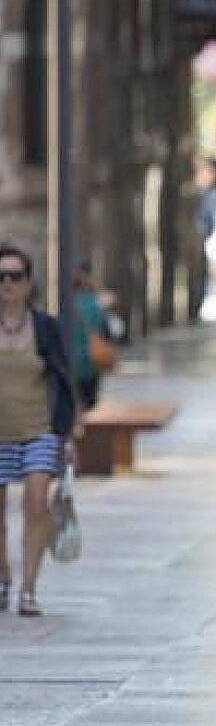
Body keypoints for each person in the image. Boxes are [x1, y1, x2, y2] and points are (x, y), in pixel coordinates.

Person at [0, 245, 77, 618]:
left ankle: (28, 589)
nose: (7, 283)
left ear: (28, 282)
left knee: (35, 502)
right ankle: (3, 576)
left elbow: (63, 379)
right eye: (0, 276)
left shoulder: (45, 328)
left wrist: (68, 433)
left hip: (40, 429)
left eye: (15, 276)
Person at [71, 261, 108, 411]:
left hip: (71, 362)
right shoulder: (95, 304)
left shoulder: (66, 304)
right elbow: (106, 331)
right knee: (90, 405)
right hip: (93, 361)